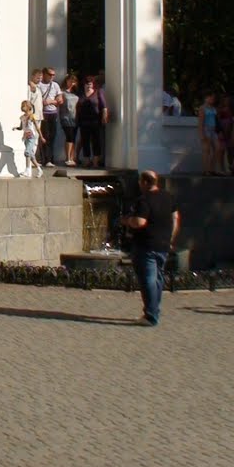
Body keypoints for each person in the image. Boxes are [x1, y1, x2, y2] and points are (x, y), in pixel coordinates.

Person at [121, 170, 180, 326]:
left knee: (147, 279)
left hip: (146, 245)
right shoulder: (168, 196)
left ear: (145, 183)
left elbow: (140, 222)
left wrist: (127, 220)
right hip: (163, 244)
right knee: (158, 278)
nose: (139, 185)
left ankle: (151, 315)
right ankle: (154, 309)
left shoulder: (144, 200)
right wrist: (171, 238)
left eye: (140, 182)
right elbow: (175, 218)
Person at [76, 75, 108, 168]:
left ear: (93, 84)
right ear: (84, 84)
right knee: (85, 141)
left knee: (96, 141)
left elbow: (104, 106)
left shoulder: (98, 92)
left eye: (90, 84)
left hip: (95, 120)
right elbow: (77, 106)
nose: (88, 86)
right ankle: (86, 160)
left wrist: (104, 116)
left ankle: (95, 162)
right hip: (83, 121)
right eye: (87, 84)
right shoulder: (80, 94)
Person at [37, 67, 63, 166]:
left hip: (53, 113)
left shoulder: (55, 85)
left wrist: (51, 101)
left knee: (52, 136)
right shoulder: (39, 85)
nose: (52, 76)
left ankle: (50, 158)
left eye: (53, 75)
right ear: (44, 74)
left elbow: (60, 99)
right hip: (43, 113)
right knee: (44, 136)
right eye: (50, 74)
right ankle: (45, 158)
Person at [13, 100, 43, 178]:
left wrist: (41, 137)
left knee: (27, 152)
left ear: (28, 107)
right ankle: (39, 170)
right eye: (22, 106)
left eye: (24, 106)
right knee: (31, 156)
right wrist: (16, 128)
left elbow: (37, 127)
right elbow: (21, 127)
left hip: (31, 137)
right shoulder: (22, 117)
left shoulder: (31, 116)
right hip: (26, 137)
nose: (22, 107)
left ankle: (27, 170)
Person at [58, 74, 79, 167]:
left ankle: (72, 157)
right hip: (66, 117)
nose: (71, 83)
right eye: (70, 80)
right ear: (66, 81)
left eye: (73, 81)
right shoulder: (62, 92)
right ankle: (68, 158)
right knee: (69, 136)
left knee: (73, 138)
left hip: (75, 117)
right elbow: (59, 102)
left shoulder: (76, 93)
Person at [198, 92, 218, 175]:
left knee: (217, 148)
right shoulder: (202, 108)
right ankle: (206, 170)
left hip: (213, 130)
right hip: (206, 129)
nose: (213, 100)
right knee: (207, 150)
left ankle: (212, 169)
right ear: (206, 98)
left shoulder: (213, 108)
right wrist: (202, 134)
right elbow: (201, 122)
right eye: (211, 98)